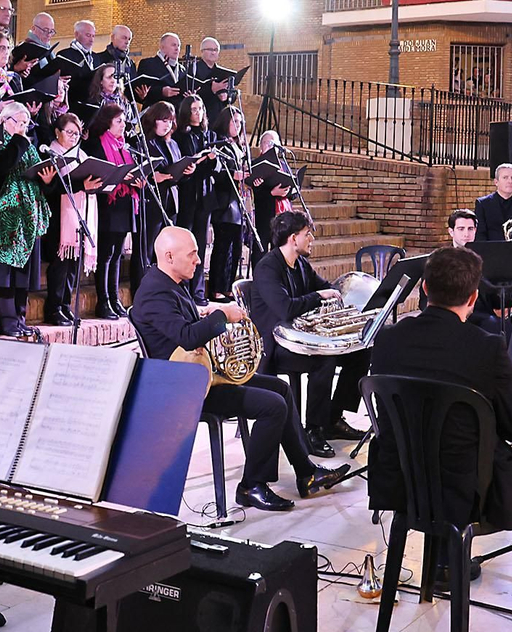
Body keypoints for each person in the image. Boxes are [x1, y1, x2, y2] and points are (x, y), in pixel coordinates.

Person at [366, 246, 512, 617]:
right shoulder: (486, 347)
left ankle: (443, 564)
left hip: (404, 485)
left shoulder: (388, 339)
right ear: (473, 297)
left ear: (425, 288)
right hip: (471, 494)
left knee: (438, 446)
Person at [130, 226, 347, 512]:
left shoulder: (170, 283)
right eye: (192, 254)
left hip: (200, 375)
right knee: (272, 406)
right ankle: (251, 486)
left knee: (280, 388)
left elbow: (181, 325)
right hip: (185, 388)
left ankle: (306, 473)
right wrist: (222, 315)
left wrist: (204, 313)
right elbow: (187, 337)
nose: (198, 260)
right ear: (169, 257)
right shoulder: (154, 293)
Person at [250, 210, 369, 456]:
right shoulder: (267, 268)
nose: (312, 239)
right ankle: (314, 430)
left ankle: (332, 418)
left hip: (301, 340)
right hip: (275, 345)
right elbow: (285, 308)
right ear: (293, 238)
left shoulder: (301, 263)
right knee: (324, 360)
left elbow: (325, 287)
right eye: (308, 234)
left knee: (360, 352)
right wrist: (318, 297)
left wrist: (342, 296)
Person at [0, 101, 53, 337]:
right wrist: (19, 140)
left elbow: (35, 174)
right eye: (18, 121)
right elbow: (1, 168)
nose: (22, 126)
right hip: (5, 214)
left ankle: (20, 318)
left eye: (25, 122)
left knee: (23, 271)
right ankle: (7, 321)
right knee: (5, 269)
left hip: (27, 214)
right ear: (4, 120)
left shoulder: (28, 145)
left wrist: (47, 181)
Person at [38, 111, 103, 327]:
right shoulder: (50, 153)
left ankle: (65, 305)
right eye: (69, 132)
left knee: (73, 264)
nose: (74, 137)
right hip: (58, 216)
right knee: (60, 264)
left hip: (79, 215)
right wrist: (81, 185)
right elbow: (53, 188)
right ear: (57, 132)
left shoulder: (81, 156)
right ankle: (54, 308)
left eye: (77, 133)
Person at [86, 103, 145, 319]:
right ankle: (103, 301)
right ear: (107, 122)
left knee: (117, 254)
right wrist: (119, 177)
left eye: (124, 121)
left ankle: (114, 298)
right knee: (106, 255)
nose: (123, 125)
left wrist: (137, 180)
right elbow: (97, 174)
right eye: (119, 121)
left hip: (125, 204)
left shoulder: (126, 146)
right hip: (107, 205)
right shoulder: (98, 145)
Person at [205, 106, 254, 301]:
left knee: (235, 248)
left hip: (238, 201)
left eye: (240, 122)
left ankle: (227, 286)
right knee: (223, 247)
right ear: (226, 122)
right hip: (224, 201)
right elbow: (216, 172)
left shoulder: (239, 146)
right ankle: (217, 287)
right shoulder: (220, 143)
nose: (238, 125)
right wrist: (233, 175)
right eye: (234, 122)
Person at [136, 101, 186, 290]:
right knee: (147, 249)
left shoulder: (173, 144)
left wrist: (186, 172)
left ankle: (162, 289)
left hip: (171, 202)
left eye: (170, 121)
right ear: (153, 120)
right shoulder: (144, 143)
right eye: (163, 120)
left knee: (167, 250)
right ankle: (141, 289)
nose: (167, 125)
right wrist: (152, 177)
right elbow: (140, 172)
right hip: (152, 202)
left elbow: (176, 172)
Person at [174, 94, 216, 300]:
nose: (198, 113)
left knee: (201, 243)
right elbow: (183, 162)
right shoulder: (181, 136)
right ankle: (183, 289)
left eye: (200, 109)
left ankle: (198, 291)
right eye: (193, 109)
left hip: (205, 194)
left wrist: (212, 160)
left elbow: (213, 168)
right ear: (186, 112)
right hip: (187, 193)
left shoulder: (209, 134)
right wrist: (197, 163)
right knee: (186, 243)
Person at [251, 131, 297, 248]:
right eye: (266, 143)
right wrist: (271, 193)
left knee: (279, 250)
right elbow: (252, 193)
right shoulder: (254, 165)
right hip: (263, 215)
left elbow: (294, 193)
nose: (270, 146)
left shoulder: (284, 165)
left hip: (282, 216)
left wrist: (288, 191)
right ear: (260, 146)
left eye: (273, 143)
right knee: (260, 251)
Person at [475, 164, 512, 240]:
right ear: (496, 182)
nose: (510, 181)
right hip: (492, 247)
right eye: (505, 177)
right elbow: (480, 235)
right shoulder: (483, 204)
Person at [193, 37, 240, 124]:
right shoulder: (193, 70)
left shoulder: (223, 72)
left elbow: (233, 94)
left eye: (216, 50)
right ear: (202, 51)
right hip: (201, 117)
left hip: (220, 117)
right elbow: (192, 95)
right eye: (210, 49)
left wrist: (227, 96)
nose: (213, 52)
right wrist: (212, 90)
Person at [134, 31, 185, 103]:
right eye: (173, 45)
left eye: (178, 45)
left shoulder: (182, 69)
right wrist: (161, 91)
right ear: (162, 47)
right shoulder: (148, 64)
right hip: (156, 108)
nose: (177, 48)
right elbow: (140, 92)